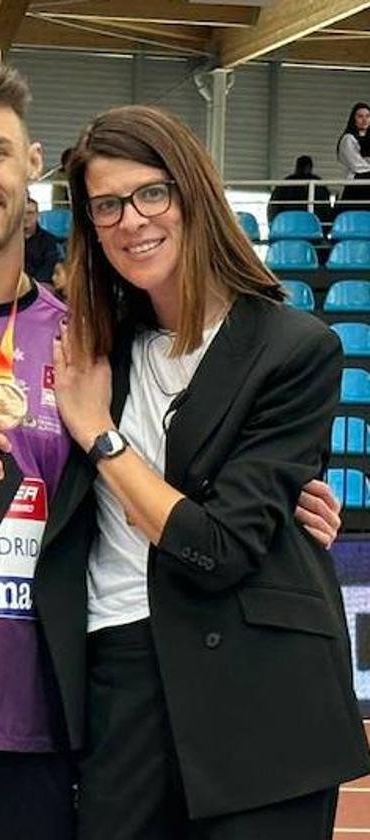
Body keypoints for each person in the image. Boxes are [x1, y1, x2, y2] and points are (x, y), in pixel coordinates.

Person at [0, 57, 345, 840]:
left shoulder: (87, 342)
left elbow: (217, 488)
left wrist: (286, 508)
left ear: (29, 165)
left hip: (68, 725)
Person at [42, 104, 370, 840]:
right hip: (119, 672)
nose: (132, 220)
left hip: (259, 689)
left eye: (152, 193)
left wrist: (99, 436)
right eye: (106, 205)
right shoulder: (90, 347)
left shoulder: (295, 347)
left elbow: (218, 546)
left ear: (194, 195)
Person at [268, 155, 334, 225]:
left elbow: (273, 208)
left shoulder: (285, 184)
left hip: (289, 224)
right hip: (306, 224)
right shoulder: (318, 184)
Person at [337, 102, 370, 212]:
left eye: (368, 116)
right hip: (356, 187)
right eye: (360, 116)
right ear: (353, 119)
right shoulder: (348, 139)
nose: (364, 120)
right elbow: (358, 166)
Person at [24, 194, 61, 284]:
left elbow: (49, 266)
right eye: (22, 213)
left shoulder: (49, 240)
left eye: (30, 213)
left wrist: (32, 286)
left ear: (37, 215)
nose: (25, 217)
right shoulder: (9, 241)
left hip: (40, 286)